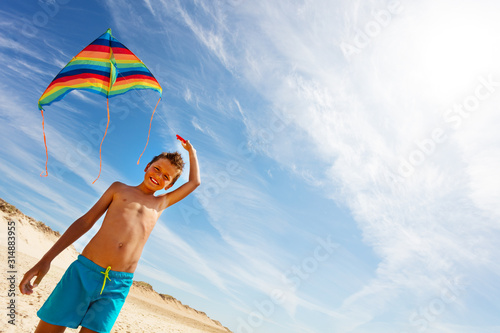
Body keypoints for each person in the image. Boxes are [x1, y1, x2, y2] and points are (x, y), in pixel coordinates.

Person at [19, 139, 200, 333]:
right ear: (147, 167)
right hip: (82, 273)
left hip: (116, 286)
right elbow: (85, 222)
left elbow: (194, 182)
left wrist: (192, 152)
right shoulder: (118, 189)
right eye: (157, 169)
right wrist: (46, 260)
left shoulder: (160, 203)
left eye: (166, 177)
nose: (159, 176)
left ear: (169, 185)